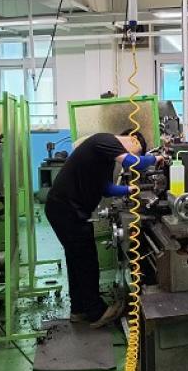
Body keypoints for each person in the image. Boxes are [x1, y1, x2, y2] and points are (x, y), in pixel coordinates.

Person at [45, 130, 162, 328]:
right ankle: (96, 313)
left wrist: (129, 190)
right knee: (86, 261)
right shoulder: (105, 140)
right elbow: (133, 162)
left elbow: (105, 188)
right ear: (133, 140)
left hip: (65, 209)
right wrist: (156, 158)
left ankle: (79, 310)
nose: (134, 158)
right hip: (66, 210)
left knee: (76, 260)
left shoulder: (105, 157)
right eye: (137, 152)